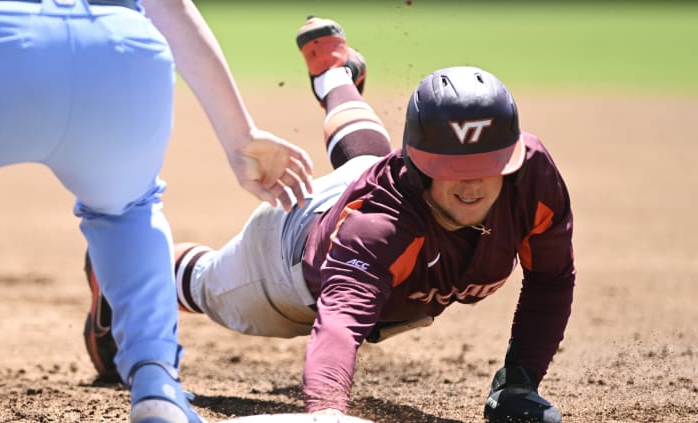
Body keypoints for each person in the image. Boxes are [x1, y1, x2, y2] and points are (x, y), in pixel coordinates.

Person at [87, 16, 575, 422]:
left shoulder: (531, 179)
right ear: (420, 166)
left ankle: (334, 76)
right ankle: (123, 270)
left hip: (364, 195)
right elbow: (339, 327)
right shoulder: (377, 230)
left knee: (365, 163)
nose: (472, 184)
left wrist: (520, 381)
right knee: (208, 285)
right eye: (452, 170)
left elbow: (551, 278)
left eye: (487, 167)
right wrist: (327, 412)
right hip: (288, 259)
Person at [0, 0, 313, 422]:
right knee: (129, 209)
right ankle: (156, 384)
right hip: (122, 46)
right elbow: (168, 6)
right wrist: (240, 135)